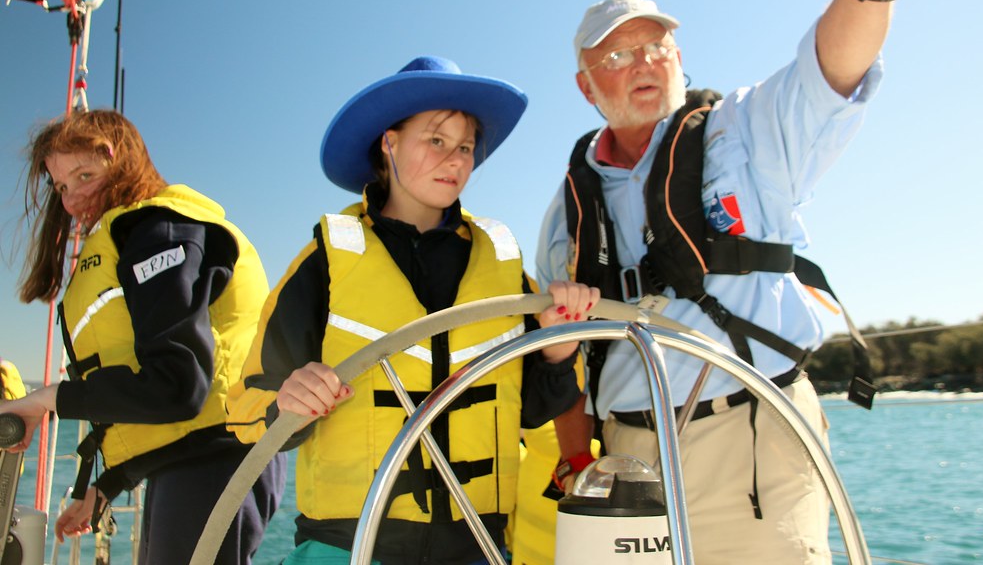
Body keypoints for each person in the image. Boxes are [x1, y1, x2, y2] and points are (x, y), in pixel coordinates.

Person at [535, 0, 939, 562]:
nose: (643, 63)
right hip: (625, 460)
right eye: (617, 54)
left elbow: (828, 73)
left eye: (655, 47)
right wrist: (576, 456)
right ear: (586, 87)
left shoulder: (745, 132)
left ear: (678, 55)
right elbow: (556, 358)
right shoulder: (567, 207)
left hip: (755, 439)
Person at [226, 55, 598, 565]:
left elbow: (533, 409)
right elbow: (248, 407)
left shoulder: (503, 259)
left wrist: (558, 350)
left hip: (478, 546)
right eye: (437, 140)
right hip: (346, 547)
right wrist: (287, 399)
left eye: (465, 146)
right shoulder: (328, 259)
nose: (455, 160)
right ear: (389, 142)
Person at [1, 110, 285, 564]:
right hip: (191, 462)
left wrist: (42, 400)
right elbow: (176, 421)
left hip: (220, 463)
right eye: (61, 187)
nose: (72, 199)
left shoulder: (160, 232)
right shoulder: (139, 235)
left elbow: (178, 387)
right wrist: (107, 486)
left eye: (85, 174)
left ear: (122, 162)